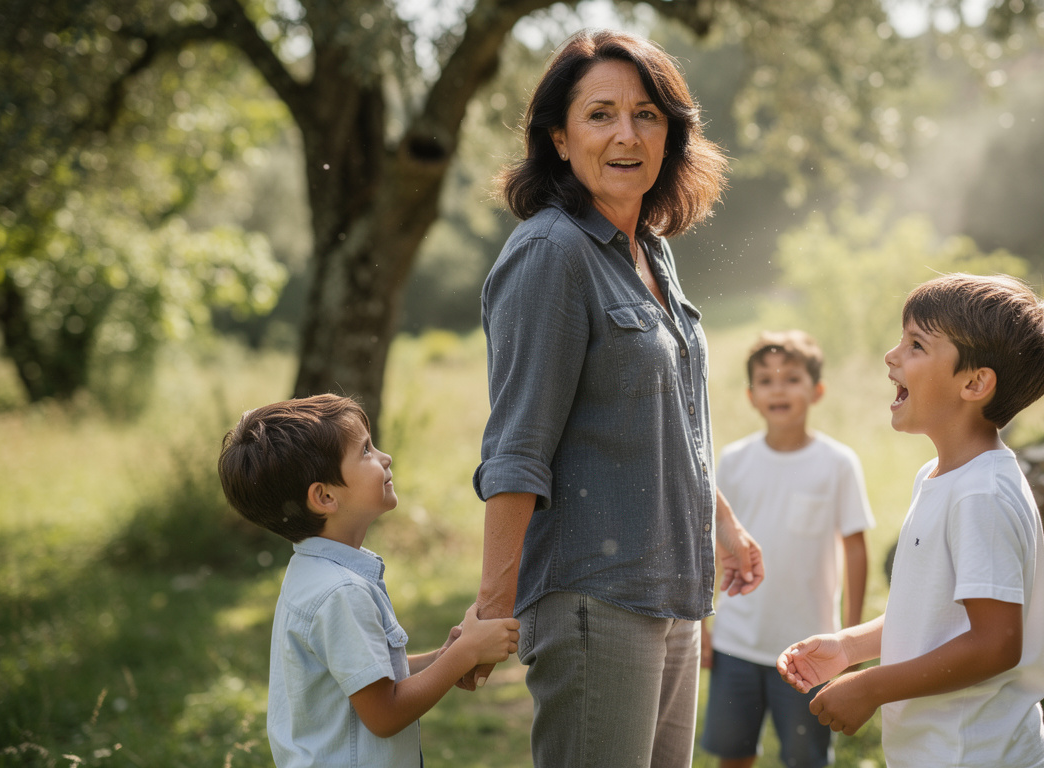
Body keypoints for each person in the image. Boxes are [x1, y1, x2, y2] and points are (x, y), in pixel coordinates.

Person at [468, 28, 764, 768]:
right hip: (595, 601)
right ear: (559, 139)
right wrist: (491, 615)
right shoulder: (552, 255)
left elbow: (669, 416)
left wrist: (720, 524)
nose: (626, 134)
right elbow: (517, 450)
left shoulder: (650, 250)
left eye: (647, 115)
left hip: (673, 588)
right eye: (600, 114)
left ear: (672, 134)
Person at [777, 274, 1044, 768]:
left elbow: (995, 644)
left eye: (915, 344)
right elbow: (936, 619)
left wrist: (871, 688)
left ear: (974, 383)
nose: (892, 355)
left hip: (977, 756)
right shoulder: (939, 477)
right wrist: (850, 647)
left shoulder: (980, 496)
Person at [217, 394, 520, 768]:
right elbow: (385, 714)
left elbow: (365, 676)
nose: (384, 457)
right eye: (365, 451)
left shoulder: (313, 574)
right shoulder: (341, 593)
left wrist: (443, 659)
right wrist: (466, 652)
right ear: (325, 496)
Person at [701, 330, 875, 768]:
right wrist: (704, 623)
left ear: (816, 390)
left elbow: (856, 551)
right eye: (766, 380)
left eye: (791, 378)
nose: (778, 388)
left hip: (807, 651)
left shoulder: (837, 464)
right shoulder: (734, 461)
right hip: (735, 643)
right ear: (751, 395)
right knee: (733, 755)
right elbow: (709, 542)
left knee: (806, 759)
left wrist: (849, 643)